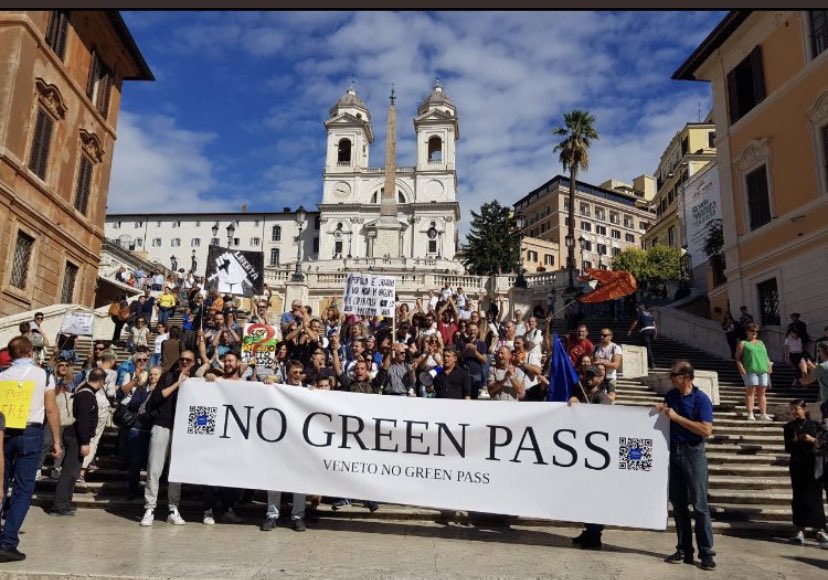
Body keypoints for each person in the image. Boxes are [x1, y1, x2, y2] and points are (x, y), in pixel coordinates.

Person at [0, 336, 62, 562]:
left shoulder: (1, 375)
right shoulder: (43, 375)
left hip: (3, 433)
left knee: (0, 482)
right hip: (30, 433)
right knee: (23, 489)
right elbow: (51, 409)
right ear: (29, 351)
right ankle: (7, 542)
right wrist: (56, 441)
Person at [656, 360, 715, 570]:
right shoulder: (671, 396)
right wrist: (661, 411)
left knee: (700, 506)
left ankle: (707, 552)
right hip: (674, 451)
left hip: (693, 452)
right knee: (679, 505)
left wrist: (677, 418)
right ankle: (684, 549)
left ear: (687, 377)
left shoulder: (701, 400)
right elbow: (668, 417)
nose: (671, 378)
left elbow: (706, 430)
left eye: (674, 375)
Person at [140, 350, 198, 526]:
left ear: (193, 362)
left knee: (176, 471)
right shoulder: (167, 376)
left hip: (182, 429)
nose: (185, 362)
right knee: (154, 468)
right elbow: (156, 398)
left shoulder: (197, 380)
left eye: (188, 360)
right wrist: (177, 384)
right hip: (162, 424)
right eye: (182, 359)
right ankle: (150, 508)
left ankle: (173, 508)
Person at [261, 360, 310, 532]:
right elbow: (267, 381)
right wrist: (270, 380)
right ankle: (272, 515)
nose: (297, 375)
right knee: (275, 480)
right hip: (279, 442)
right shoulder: (278, 389)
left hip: (300, 444)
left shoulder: (308, 391)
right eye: (294, 372)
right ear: (287, 373)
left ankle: (297, 516)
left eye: (299, 372)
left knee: (299, 482)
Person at [50, 368, 106, 516]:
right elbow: (83, 421)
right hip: (76, 438)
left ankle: (65, 503)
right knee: (69, 473)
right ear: (101, 381)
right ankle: (59, 505)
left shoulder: (84, 392)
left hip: (76, 436)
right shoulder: (87, 395)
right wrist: (85, 442)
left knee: (73, 473)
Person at [569, 365, 612, 549]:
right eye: (586, 375)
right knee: (585, 495)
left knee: (595, 496)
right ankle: (588, 531)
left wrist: (582, 408)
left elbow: (600, 419)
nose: (588, 379)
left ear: (599, 379)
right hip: (584, 453)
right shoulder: (581, 395)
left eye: (592, 376)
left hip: (598, 455)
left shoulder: (602, 397)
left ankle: (595, 535)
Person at [784, 400, 827, 545]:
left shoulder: (815, 425)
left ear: (804, 409)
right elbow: (788, 448)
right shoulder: (789, 427)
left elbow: (822, 442)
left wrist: (811, 440)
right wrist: (795, 440)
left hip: (814, 464)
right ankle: (799, 529)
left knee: (816, 496)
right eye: (792, 409)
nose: (794, 412)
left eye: (796, 409)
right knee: (799, 496)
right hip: (798, 464)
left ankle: (820, 529)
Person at [735, 323, 773, 421]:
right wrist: (741, 367)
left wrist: (769, 365)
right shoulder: (743, 343)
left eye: (756, 331)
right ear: (747, 331)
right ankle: (750, 413)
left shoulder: (761, 342)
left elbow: (766, 355)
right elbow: (738, 358)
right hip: (750, 370)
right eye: (752, 331)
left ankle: (763, 413)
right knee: (750, 392)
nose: (755, 333)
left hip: (763, 369)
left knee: (762, 392)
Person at [592, 328, 622, 402]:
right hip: (597, 376)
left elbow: (616, 365)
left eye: (604, 335)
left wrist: (601, 362)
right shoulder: (596, 347)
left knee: (611, 396)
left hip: (610, 376)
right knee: (593, 394)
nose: (601, 337)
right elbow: (592, 361)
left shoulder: (615, 347)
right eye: (600, 335)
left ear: (610, 336)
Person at [629, 304, 657, 370]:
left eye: (637, 309)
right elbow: (654, 324)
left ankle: (651, 363)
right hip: (652, 330)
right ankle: (645, 361)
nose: (636, 310)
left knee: (647, 347)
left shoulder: (639, 313)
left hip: (645, 330)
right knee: (644, 345)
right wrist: (655, 333)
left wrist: (630, 330)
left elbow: (635, 322)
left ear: (639, 309)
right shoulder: (650, 314)